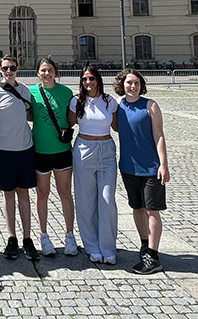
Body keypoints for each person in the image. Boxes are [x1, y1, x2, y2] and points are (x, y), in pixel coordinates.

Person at [0, 55, 39, 261]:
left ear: (18, 68)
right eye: (5, 68)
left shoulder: (26, 91)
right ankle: (11, 237)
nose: (8, 71)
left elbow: (34, 116)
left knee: (23, 193)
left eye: (12, 67)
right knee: (8, 195)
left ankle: (27, 238)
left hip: (24, 149)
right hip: (3, 150)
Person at [113, 69, 170, 274]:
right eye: (129, 83)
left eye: (136, 83)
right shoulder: (118, 106)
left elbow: (159, 136)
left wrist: (163, 164)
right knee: (137, 208)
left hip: (151, 168)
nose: (133, 86)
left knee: (151, 210)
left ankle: (153, 256)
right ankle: (145, 245)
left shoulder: (150, 106)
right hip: (129, 167)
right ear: (122, 85)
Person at [68, 65, 118, 264]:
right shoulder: (76, 101)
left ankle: (108, 247)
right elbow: (69, 123)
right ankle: (91, 245)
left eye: (91, 79)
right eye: (84, 79)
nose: (88, 83)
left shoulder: (110, 102)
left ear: (98, 79)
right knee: (85, 200)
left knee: (107, 200)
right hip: (83, 149)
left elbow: (117, 126)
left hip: (106, 149)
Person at [29, 56, 77, 256]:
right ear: (37, 73)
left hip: (62, 150)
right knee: (42, 194)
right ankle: (44, 236)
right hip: (40, 150)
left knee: (65, 193)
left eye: (50, 70)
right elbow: (27, 114)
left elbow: (72, 120)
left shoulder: (66, 92)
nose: (46, 73)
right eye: (43, 70)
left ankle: (69, 235)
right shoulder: (31, 92)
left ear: (55, 72)